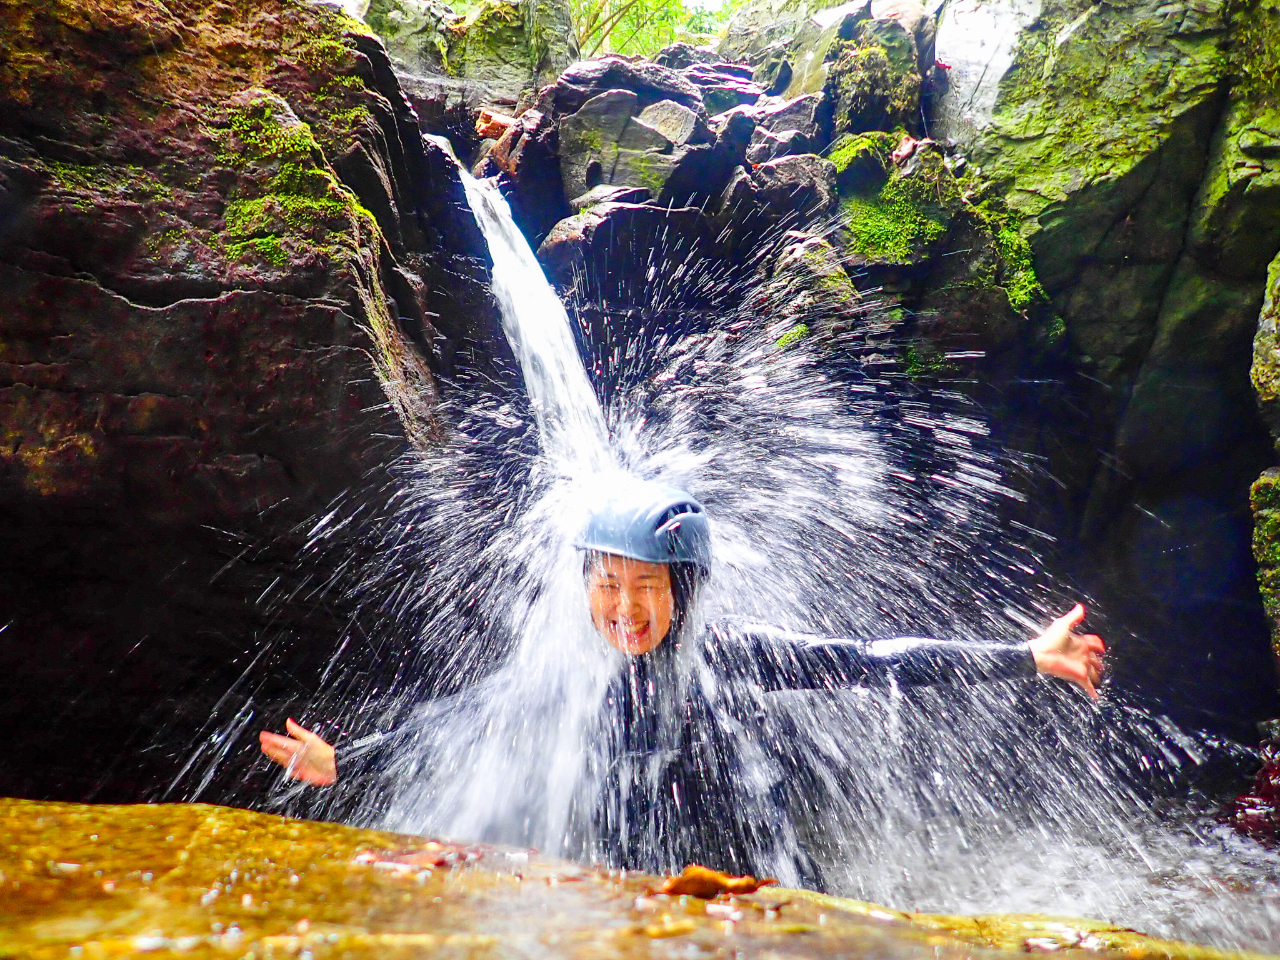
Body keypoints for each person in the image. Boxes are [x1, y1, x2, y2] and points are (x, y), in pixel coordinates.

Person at [260, 482, 1105, 875]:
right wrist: (348, 761)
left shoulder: (730, 654)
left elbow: (870, 659)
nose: (624, 608)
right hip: (624, 889)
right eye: (607, 584)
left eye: (647, 587)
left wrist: (1025, 658)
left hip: (743, 881)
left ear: (685, 593)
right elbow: (466, 718)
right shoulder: (572, 675)